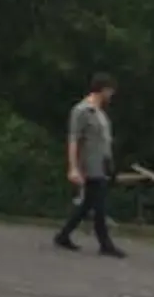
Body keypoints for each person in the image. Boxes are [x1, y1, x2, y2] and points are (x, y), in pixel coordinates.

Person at [54, 71, 126, 258]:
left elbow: (104, 141)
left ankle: (63, 235)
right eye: (110, 91)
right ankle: (105, 244)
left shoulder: (100, 113)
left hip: (101, 164)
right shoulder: (81, 111)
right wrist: (73, 167)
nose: (111, 96)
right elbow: (73, 140)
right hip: (90, 165)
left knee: (88, 204)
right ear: (102, 90)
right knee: (99, 204)